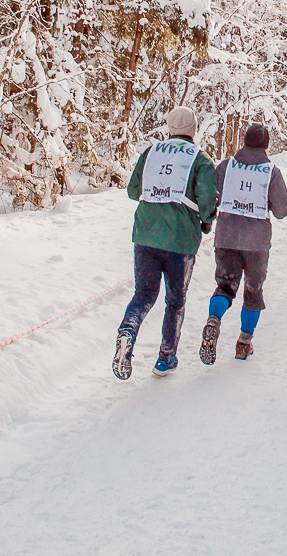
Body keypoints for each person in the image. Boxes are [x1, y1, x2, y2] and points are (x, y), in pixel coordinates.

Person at [113, 106, 218, 379]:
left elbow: (133, 191)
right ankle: (165, 358)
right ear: (194, 129)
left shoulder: (150, 153)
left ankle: (127, 331)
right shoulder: (200, 159)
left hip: (145, 234)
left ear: (169, 128)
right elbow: (208, 199)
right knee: (175, 300)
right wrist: (206, 221)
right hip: (180, 240)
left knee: (144, 294)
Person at [198, 124, 287, 363]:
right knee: (253, 292)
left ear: (244, 141)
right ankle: (243, 344)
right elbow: (282, 210)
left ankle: (213, 321)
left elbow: (211, 195)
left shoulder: (227, 166)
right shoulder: (271, 172)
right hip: (257, 244)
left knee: (225, 286)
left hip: (227, 237)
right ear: (266, 145)